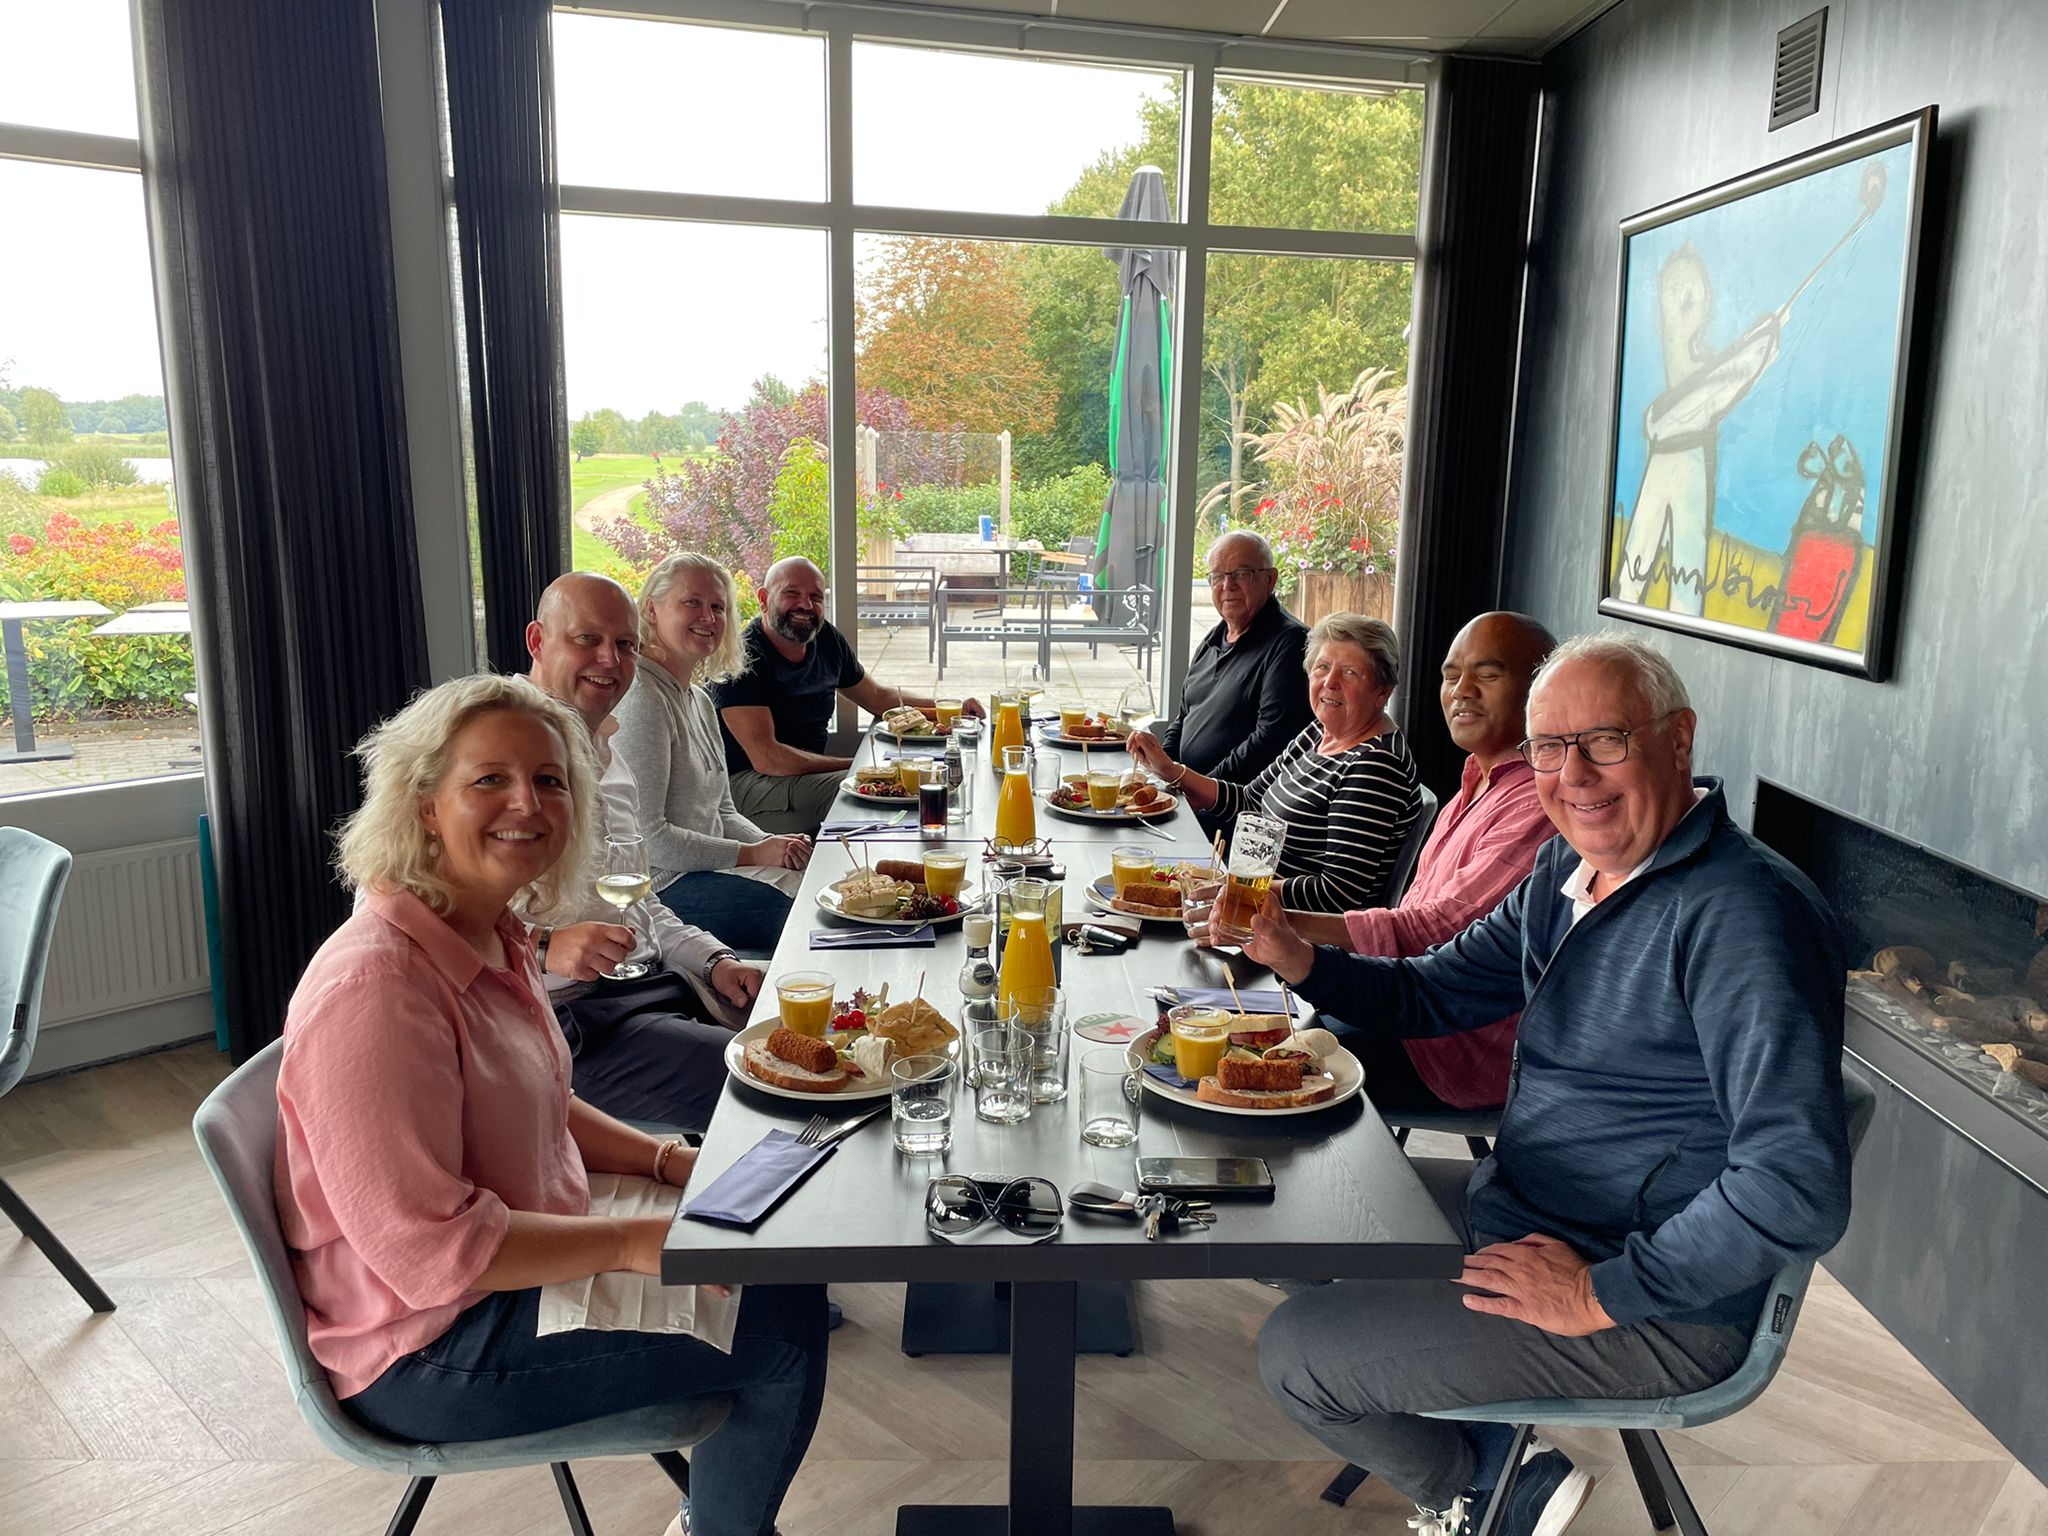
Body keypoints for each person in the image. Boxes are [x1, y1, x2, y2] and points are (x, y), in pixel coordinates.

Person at [1245, 632, 1852, 1536]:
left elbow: (1795, 1185)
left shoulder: (1744, 917)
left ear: (1678, 739)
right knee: (1281, 1210)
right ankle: (1502, 1458)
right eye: (1548, 748)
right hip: (1533, 1207)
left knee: (1297, 1356)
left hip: (1655, 1296)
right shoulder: (1569, 869)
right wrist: (1298, 957)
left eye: (1605, 740)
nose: (1575, 775)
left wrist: (1597, 1294)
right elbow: (1437, 990)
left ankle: (1475, 1490)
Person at [279, 672, 826, 1536]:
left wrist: (669, 1161)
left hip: (517, 1253)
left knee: (774, 1252)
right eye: (489, 779)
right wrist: (631, 1242)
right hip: (430, 1347)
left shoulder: (490, 932)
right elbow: (433, 1255)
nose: (527, 804)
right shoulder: (377, 988)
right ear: (425, 805)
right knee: (781, 1329)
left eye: (549, 780)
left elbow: (544, 1098)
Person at [1208, 611, 1557, 1114]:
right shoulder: (1474, 782)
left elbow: (1434, 930)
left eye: (1487, 674)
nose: (1462, 690)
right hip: (1397, 994)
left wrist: (1280, 924)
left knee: (1246, 1075)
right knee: (1224, 1030)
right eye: (1451, 675)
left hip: (1447, 1046)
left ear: (1541, 692)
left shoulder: (1535, 805)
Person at [526, 572, 766, 1132]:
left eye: (626, 644)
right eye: (587, 639)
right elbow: (408, 914)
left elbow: (638, 900)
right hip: (561, 1025)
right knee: (768, 1082)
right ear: (538, 641)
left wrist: (715, 961)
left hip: (646, 988)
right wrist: (543, 946)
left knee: (811, 1017)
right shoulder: (495, 749)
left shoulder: (607, 754)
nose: (609, 660)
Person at [1129, 612, 1421, 914]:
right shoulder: (1318, 733)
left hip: (1287, 927)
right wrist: (1170, 771)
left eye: (1349, 673)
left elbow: (1338, 894)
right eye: (1322, 667)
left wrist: (1237, 889)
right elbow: (1250, 800)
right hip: (1250, 903)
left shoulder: (1376, 766)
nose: (1330, 682)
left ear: (1382, 690)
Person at [612, 552, 812, 956]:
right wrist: (753, 853)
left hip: (707, 869)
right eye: (692, 602)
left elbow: (723, 811)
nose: (708, 617)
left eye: (718, 607)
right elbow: (649, 840)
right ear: (651, 609)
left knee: (818, 884)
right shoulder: (643, 699)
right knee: (804, 916)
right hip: (663, 888)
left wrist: (774, 844)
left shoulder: (700, 700)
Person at [714, 556, 982, 836]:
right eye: (791, 593)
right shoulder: (742, 659)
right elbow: (769, 758)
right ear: (763, 599)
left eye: (816, 597)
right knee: (874, 790)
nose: (806, 605)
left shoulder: (825, 639)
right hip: (747, 788)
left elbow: (877, 697)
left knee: (917, 777)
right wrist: (859, 765)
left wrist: (954, 709)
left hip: (801, 779)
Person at [1133, 530, 1310, 783]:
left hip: (1234, 801)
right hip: (1188, 791)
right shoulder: (1213, 639)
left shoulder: (1291, 643)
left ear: (1270, 580)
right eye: (1218, 576)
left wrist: (1195, 788)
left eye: (1242, 573)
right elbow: (1183, 718)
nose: (1228, 585)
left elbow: (1270, 741)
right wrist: (1164, 772)